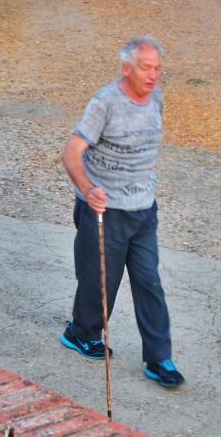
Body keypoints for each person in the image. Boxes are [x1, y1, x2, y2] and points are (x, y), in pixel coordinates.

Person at [60, 35, 184, 388]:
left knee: (149, 283)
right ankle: (81, 333)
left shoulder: (156, 98)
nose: (153, 75)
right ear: (126, 68)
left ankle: (159, 358)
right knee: (101, 282)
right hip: (105, 210)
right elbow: (71, 153)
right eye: (145, 68)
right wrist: (88, 190)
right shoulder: (105, 103)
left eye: (157, 68)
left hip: (143, 209)